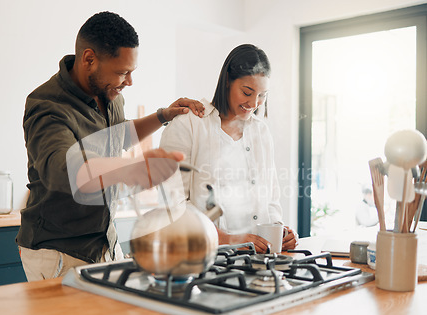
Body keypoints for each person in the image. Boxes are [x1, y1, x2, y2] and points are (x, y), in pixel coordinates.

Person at [17, 11, 204, 281]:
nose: (129, 82)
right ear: (89, 59)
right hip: (59, 252)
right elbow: (64, 170)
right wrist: (131, 168)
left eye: (131, 72)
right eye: (122, 73)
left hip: (105, 243)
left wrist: (163, 115)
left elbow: (118, 135)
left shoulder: (109, 94)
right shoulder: (47, 107)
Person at [160, 44, 298, 253]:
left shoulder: (261, 132)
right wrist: (224, 238)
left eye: (262, 95)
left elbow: (270, 198)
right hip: (203, 258)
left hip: (257, 261)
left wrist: (279, 230)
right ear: (227, 81)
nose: (254, 103)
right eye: (247, 92)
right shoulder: (188, 125)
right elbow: (172, 204)